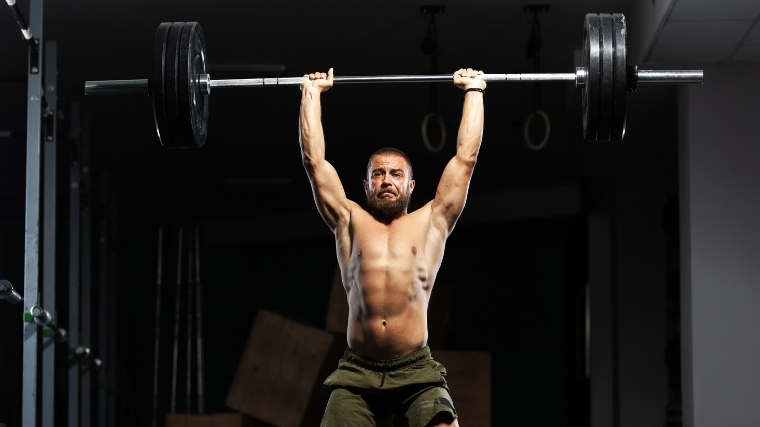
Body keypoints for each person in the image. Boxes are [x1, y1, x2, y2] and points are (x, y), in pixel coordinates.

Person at [299, 67, 485, 427]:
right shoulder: (348, 220)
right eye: (378, 174)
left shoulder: (432, 221)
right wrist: (311, 94)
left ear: (411, 185)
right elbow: (314, 162)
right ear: (365, 185)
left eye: (396, 174)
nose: (386, 180)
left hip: (415, 368)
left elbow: (466, 159)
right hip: (357, 370)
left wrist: (474, 90)